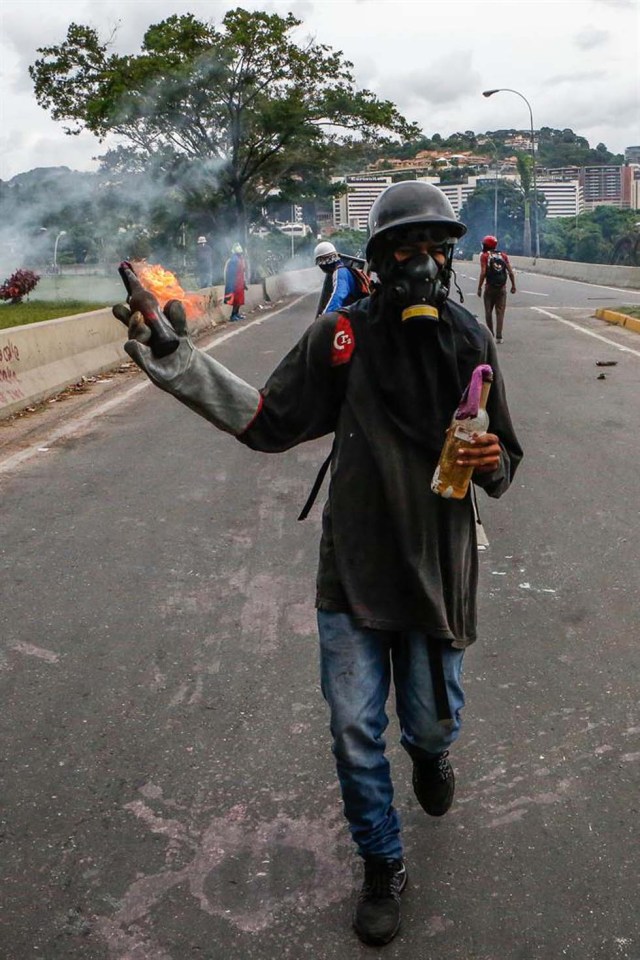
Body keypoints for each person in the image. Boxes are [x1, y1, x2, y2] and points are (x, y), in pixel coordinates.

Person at [114, 181, 522, 947]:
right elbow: (265, 421)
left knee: (430, 726)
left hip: (439, 568)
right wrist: (173, 355)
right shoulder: (341, 338)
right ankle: (381, 863)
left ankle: (433, 757)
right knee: (354, 731)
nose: (424, 261)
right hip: (355, 570)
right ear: (379, 257)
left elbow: (505, 461)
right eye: (408, 246)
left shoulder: (469, 340)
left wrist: (493, 457)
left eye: (437, 246)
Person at [476, 235, 516, 343]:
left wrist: (479, 287)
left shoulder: (484, 256)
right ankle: (499, 336)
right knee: (500, 312)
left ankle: (490, 335)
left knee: (488, 312)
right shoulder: (503, 255)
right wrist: (513, 285)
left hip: (489, 288)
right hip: (502, 289)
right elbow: (510, 272)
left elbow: (483, 272)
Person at [314, 240, 369, 316]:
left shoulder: (340, 272)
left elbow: (338, 296)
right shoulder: (345, 269)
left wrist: (325, 315)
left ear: (324, 264)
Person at [224, 243, 248, 321]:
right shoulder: (234, 260)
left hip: (240, 282)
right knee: (236, 300)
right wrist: (231, 285)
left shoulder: (240, 259)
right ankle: (233, 315)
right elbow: (230, 274)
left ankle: (236, 314)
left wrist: (244, 282)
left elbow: (243, 271)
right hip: (235, 283)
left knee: (239, 300)